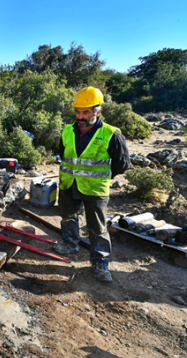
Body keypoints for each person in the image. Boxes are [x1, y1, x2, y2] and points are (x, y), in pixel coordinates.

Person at [55, 86, 130, 282]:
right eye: (78, 111)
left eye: (86, 112)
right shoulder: (67, 131)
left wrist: (100, 175)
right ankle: (70, 244)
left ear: (98, 111)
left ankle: (100, 262)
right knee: (68, 217)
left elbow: (122, 164)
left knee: (97, 226)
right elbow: (63, 154)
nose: (80, 116)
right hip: (69, 184)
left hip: (95, 188)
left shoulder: (111, 134)